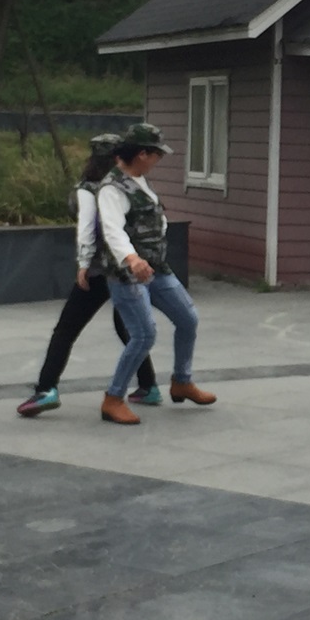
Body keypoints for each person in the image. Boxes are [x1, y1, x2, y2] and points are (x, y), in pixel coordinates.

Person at [17, 134, 159, 418]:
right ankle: (148, 386)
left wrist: (83, 263)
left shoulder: (89, 188)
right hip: (127, 268)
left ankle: (46, 389)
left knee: (66, 330)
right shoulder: (131, 184)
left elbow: (86, 228)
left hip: (98, 269)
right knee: (129, 328)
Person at [97, 123, 216, 426]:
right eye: (157, 154)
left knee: (187, 318)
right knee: (144, 334)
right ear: (142, 154)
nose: (159, 160)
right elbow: (112, 231)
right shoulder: (112, 188)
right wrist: (132, 259)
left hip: (157, 268)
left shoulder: (140, 180)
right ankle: (113, 399)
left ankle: (182, 382)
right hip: (127, 273)